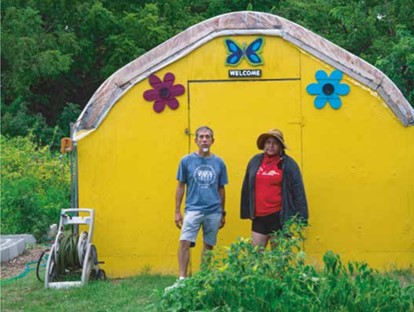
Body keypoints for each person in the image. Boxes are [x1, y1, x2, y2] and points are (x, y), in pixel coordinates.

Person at [170, 126, 228, 287]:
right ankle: (182, 280)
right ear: (195, 140)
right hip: (193, 210)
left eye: (207, 137)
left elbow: (221, 188)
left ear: (212, 141)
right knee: (184, 242)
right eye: (201, 137)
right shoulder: (186, 161)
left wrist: (223, 213)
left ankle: (203, 278)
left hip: (214, 211)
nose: (204, 139)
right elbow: (180, 186)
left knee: (208, 245)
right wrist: (177, 211)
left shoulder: (219, 162)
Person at [240, 129, 308, 247]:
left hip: (279, 216)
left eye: (275, 143)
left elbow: (298, 191)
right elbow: (247, 186)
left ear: (281, 146)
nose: (271, 146)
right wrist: (247, 210)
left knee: (278, 258)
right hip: (259, 217)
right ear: (264, 145)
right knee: (256, 257)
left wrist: (302, 217)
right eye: (268, 142)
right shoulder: (255, 161)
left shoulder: (289, 164)